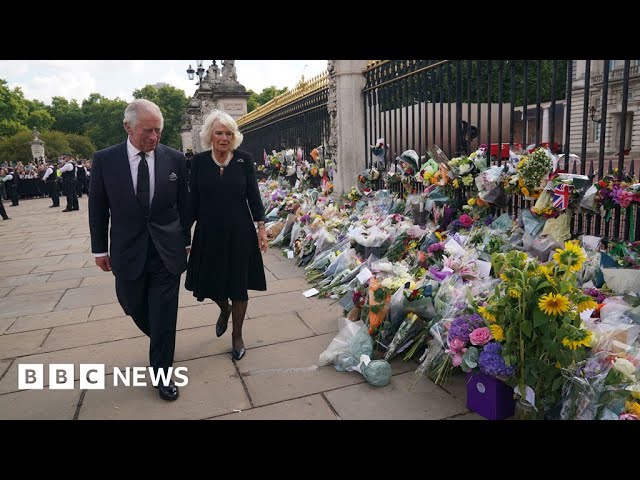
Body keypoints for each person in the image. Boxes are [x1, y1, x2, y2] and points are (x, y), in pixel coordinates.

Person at [88, 99, 191, 402]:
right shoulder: (106, 160)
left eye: (158, 130)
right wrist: (99, 249)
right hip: (127, 249)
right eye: (148, 130)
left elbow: (184, 206)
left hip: (166, 250)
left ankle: (162, 370)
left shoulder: (174, 159)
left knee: (164, 313)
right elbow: (98, 208)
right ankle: (161, 339)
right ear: (128, 128)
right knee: (132, 304)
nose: (154, 137)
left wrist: (186, 240)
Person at [185, 110, 268, 361]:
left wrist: (261, 228)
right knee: (210, 282)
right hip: (208, 232)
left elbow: (253, 196)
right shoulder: (198, 162)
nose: (224, 138)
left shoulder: (244, 160)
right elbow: (192, 201)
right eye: (219, 133)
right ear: (209, 135)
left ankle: (237, 335)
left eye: (229, 133)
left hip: (240, 231)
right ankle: (224, 308)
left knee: (239, 285)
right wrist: (184, 235)